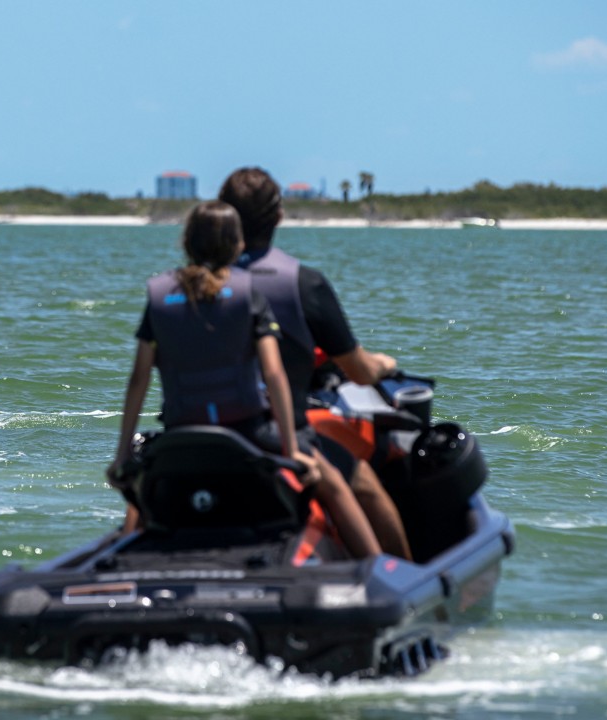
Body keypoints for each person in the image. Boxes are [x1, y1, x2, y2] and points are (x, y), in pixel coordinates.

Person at [107, 200, 381, 559]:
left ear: (186, 243)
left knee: (142, 496)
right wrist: (291, 449)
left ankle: (116, 558)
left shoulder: (160, 297)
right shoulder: (248, 293)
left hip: (180, 432)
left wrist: (122, 454)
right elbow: (274, 374)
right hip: (249, 431)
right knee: (333, 483)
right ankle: (378, 567)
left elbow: (138, 379)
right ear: (237, 245)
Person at [219, 168, 413, 559]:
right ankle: (399, 573)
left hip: (199, 430)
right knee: (365, 485)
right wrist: (383, 364)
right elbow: (359, 371)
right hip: (272, 435)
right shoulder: (303, 283)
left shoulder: (193, 281)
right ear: (279, 216)